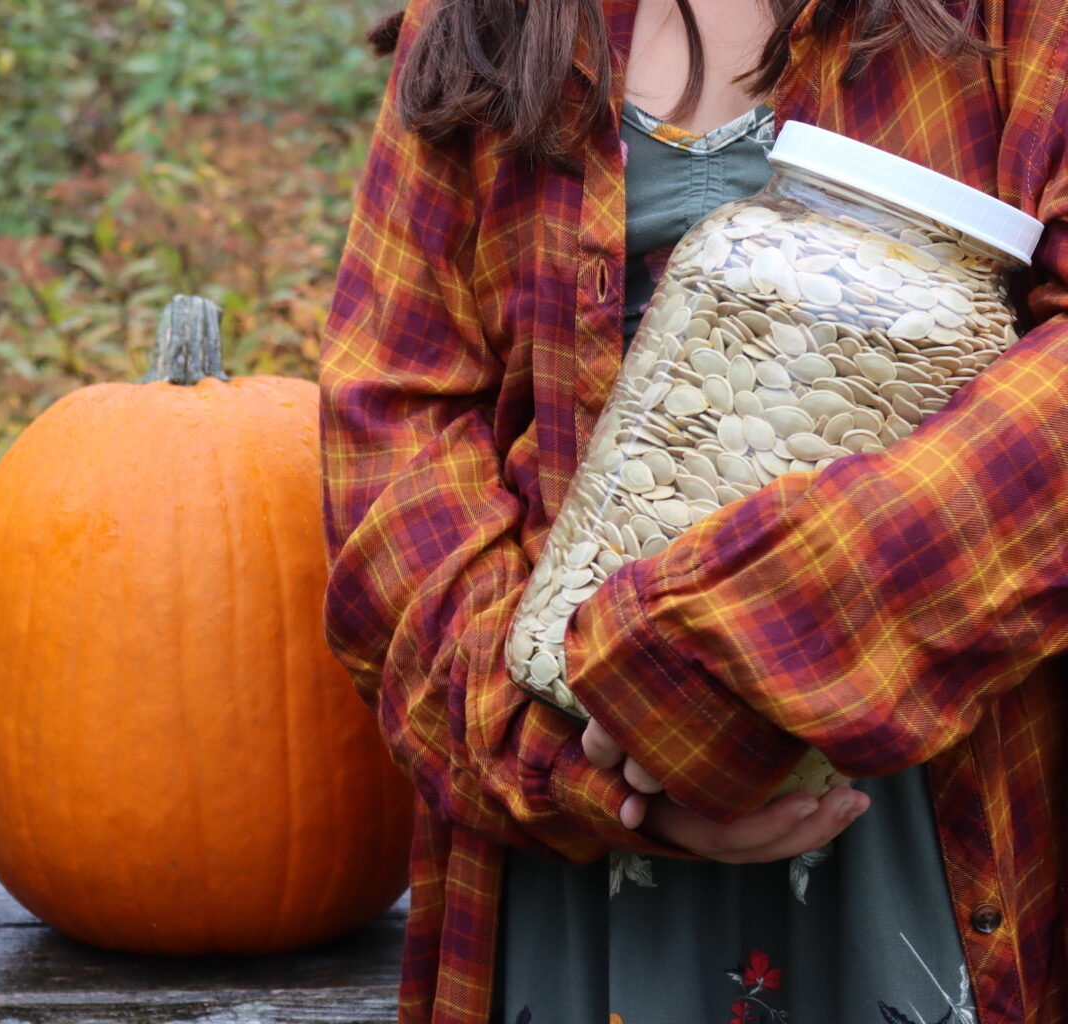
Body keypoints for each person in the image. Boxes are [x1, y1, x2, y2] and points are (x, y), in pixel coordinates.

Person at [319, 0, 1067, 1021]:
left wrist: (743, 654)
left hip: (921, 814)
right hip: (571, 805)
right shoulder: (490, 17)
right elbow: (396, 417)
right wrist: (580, 762)